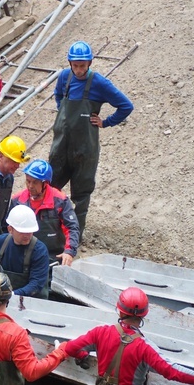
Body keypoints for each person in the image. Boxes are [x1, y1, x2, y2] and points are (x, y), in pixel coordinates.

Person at [65, 287, 194, 385]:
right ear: (144, 314)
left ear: (120, 310)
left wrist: (82, 355)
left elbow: (71, 348)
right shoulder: (145, 348)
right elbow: (173, 371)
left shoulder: (100, 332)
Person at [50, 41, 134, 240]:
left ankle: (73, 239)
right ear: (70, 63)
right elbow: (58, 95)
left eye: (83, 65)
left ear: (90, 63)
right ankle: (49, 232)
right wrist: (62, 113)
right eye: (75, 65)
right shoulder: (64, 77)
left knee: (81, 196)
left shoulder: (99, 83)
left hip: (85, 149)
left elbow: (126, 106)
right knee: (50, 189)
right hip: (61, 146)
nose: (79, 70)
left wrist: (106, 122)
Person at [11, 159, 79, 267]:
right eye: (28, 181)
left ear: (45, 183)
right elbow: (9, 229)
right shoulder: (17, 200)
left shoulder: (60, 200)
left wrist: (69, 251)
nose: (30, 186)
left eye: (35, 182)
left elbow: (71, 227)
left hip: (52, 256)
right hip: (24, 253)